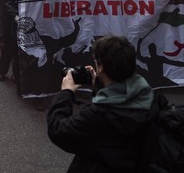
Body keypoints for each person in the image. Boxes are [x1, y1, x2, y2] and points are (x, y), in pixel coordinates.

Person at [47, 35, 154, 172]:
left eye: (96, 62)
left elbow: (58, 130)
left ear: (101, 67)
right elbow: (120, 100)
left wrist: (66, 92)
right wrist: (100, 90)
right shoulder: (148, 96)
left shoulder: (98, 115)